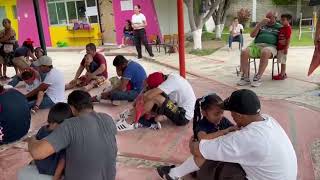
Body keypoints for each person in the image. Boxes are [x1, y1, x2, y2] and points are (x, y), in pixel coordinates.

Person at [160, 89, 297, 180]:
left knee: (212, 167)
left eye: (229, 113)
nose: (226, 116)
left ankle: (174, 174)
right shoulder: (268, 120)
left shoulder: (246, 138)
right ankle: (175, 173)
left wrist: (192, 144)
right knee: (216, 155)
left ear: (239, 115)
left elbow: (196, 149)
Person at [23, 90, 117, 180]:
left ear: (71, 108)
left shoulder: (70, 125)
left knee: (24, 174)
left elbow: (37, 153)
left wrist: (32, 139)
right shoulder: (108, 119)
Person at [157, 94, 242, 180]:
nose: (220, 116)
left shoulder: (222, 120)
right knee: (202, 155)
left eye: (222, 112)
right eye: (216, 114)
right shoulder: (202, 124)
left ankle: (175, 172)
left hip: (218, 155)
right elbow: (203, 138)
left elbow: (233, 129)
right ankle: (175, 173)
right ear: (204, 113)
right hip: (209, 156)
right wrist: (224, 132)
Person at [116, 72, 196, 131]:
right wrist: (136, 104)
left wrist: (138, 103)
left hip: (182, 115)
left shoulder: (171, 82)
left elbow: (148, 96)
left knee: (154, 97)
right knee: (152, 101)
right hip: (176, 108)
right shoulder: (166, 77)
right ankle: (138, 116)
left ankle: (130, 121)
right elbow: (145, 88)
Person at [20, 103, 74, 180]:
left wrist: (56, 177)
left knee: (21, 174)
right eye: (51, 122)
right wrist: (29, 140)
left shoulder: (64, 138)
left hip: (51, 171)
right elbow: (36, 144)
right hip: (42, 165)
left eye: (55, 123)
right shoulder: (43, 129)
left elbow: (63, 160)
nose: (52, 126)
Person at [238, 11, 282, 87]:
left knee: (265, 51)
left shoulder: (279, 27)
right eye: (266, 17)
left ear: (275, 18)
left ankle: (258, 77)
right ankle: (245, 77)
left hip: (271, 47)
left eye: (269, 17)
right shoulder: (261, 25)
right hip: (257, 45)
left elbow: (285, 38)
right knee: (244, 52)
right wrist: (259, 24)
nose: (267, 19)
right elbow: (252, 35)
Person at [273, 14, 292, 80]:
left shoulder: (288, 28)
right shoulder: (282, 28)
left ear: (289, 20)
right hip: (279, 47)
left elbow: (288, 39)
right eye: (281, 20)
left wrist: (286, 48)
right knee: (281, 61)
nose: (282, 21)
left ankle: (282, 75)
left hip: (283, 48)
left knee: (283, 61)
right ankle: (283, 73)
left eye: (284, 20)